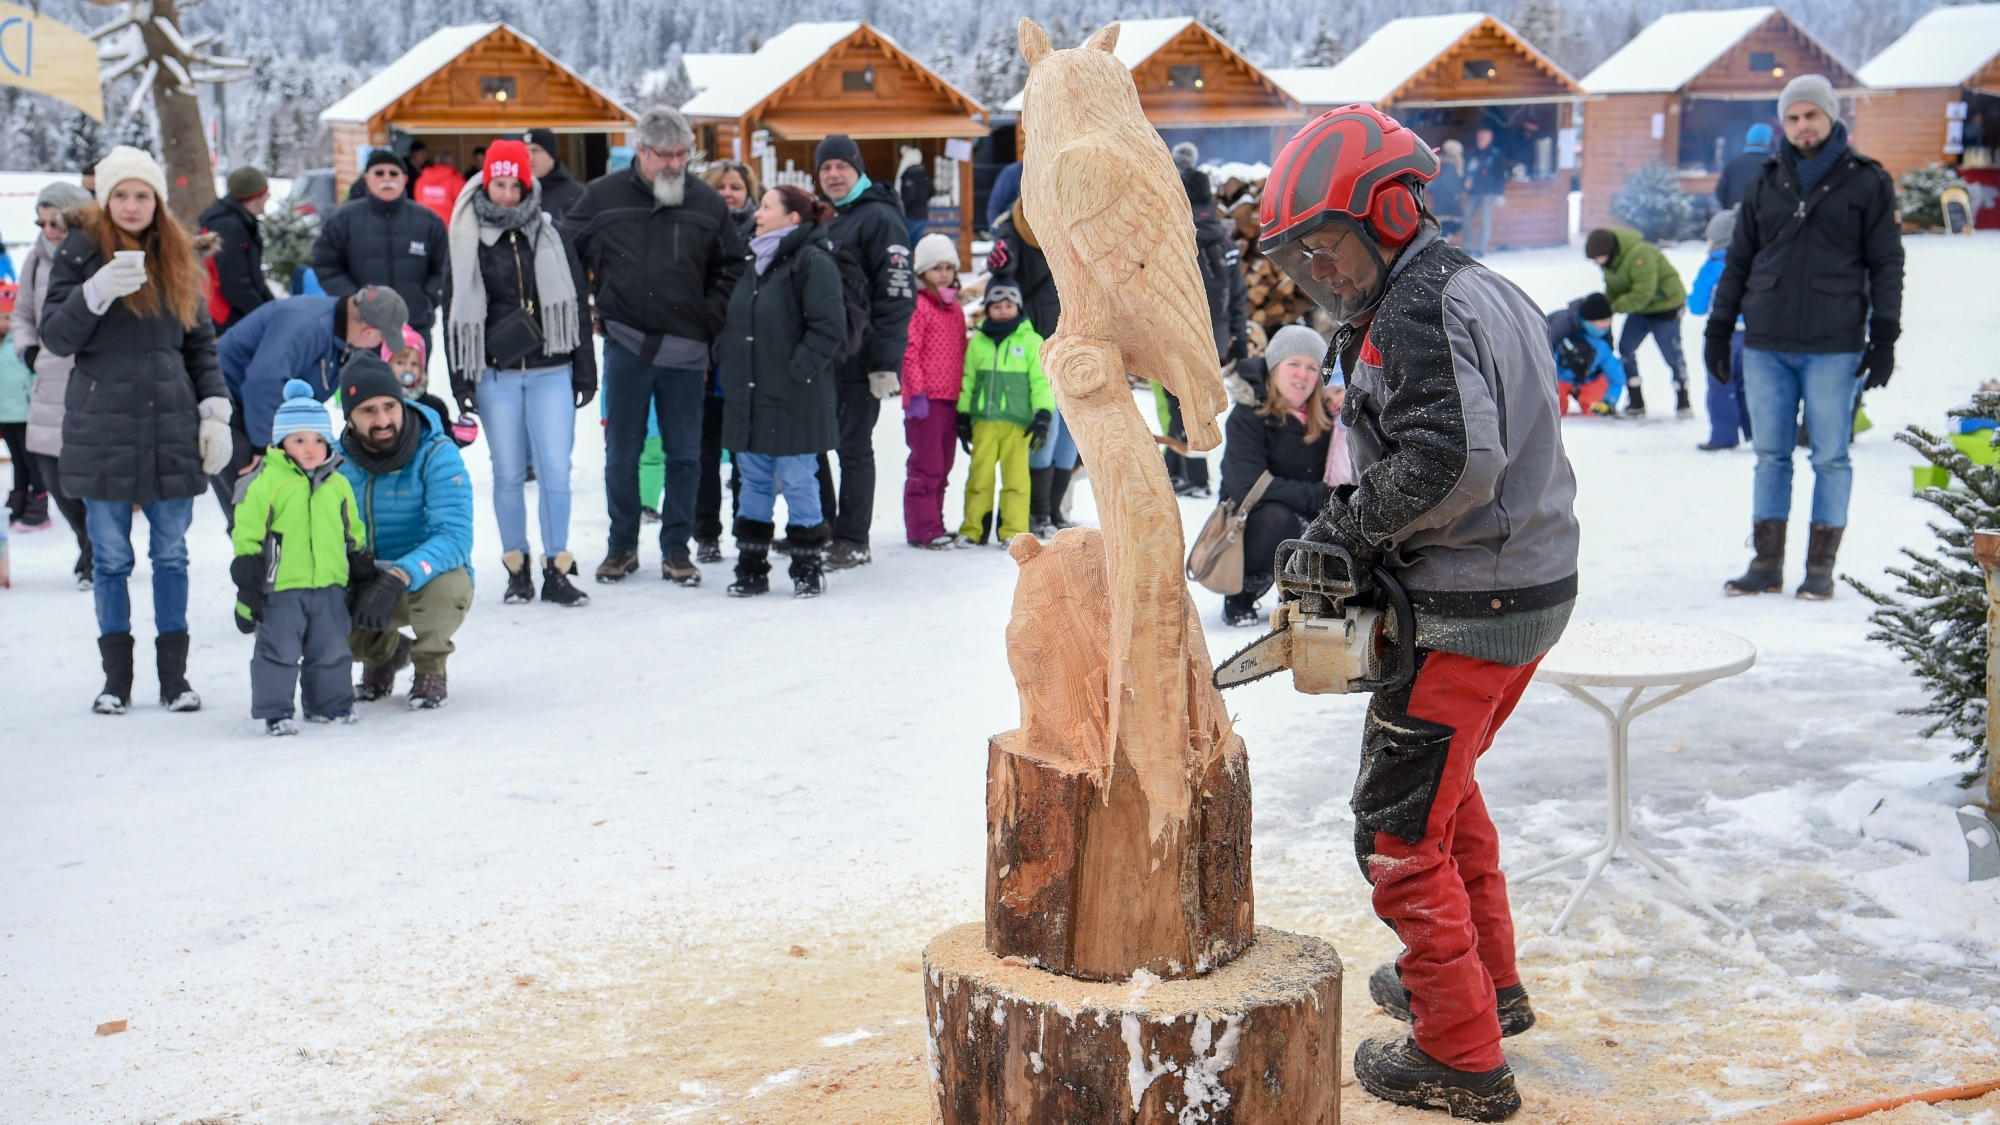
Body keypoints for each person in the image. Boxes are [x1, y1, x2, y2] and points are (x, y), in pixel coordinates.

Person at [1258, 104, 1578, 1119]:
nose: (1325, 271)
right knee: (1448, 797)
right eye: (1308, 256)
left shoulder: (1413, 308)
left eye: (1333, 247)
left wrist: (1347, 533)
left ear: (1388, 214)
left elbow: (1450, 460)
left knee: (1395, 836)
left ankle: (1458, 1054)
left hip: (1466, 602)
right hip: (1523, 585)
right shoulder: (1480, 285)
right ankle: (1486, 985)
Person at [40, 146, 233, 715]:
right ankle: (115, 681)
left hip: (171, 425)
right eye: (120, 194)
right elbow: (55, 336)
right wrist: (95, 292)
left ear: (157, 201)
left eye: (141, 195)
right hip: (103, 426)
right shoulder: (79, 251)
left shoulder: (178, 253)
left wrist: (214, 409)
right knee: (112, 558)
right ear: (104, 199)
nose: (131, 204)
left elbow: (199, 344)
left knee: (171, 555)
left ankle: (174, 680)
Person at [1706, 74, 1903, 600]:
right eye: (1792, 118)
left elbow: (1886, 262)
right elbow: (1739, 260)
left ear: (1831, 117)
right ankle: (1766, 562)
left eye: (1811, 115)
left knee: (1830, 457)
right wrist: (1719, 327)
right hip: (1766, 340)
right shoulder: (1766, 180)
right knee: (1770, 455)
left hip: (1833, 345)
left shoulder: (1867, 181)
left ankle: (1820, 569)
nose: (1802, 126)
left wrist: (1884, 335)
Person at [564, 106, 741, 586]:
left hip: (687, 351)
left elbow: (730, 268)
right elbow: (565, 254)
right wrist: (587, 309)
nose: (674, 164)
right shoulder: (602, 197)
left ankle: (677, 550)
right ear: (640, 151)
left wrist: (708, 319)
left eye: (682, 154)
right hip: (626, 343)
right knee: (622, 452)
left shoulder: (706, 203)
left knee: (686, 454)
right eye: (664, 154)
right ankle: (621, 547)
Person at [443, 139, 596, 609]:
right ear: (486, 183)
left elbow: (575, 301)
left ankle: (557, 568)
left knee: (556, 472)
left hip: (552, 367)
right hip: (495, 373)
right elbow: (453, 309)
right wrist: (461, 379)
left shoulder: (550, 232)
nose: (508, 194)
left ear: (528, 185)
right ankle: (517, 569)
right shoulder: (466, 236)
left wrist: (585, 369)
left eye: (516, 184)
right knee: (508, 473)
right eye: (499, 183)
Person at [718, 184, 847, 597]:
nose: (757, 212)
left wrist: (797, 372)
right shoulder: (752, 260)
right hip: (749, 393)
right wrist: (728, 356)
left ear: (793, 218)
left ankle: (807, 566)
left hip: (795, 395)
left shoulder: (812, 261)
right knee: (751, 479)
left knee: (797, 478)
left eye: (767, 206)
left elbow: (830, 329)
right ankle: (751, 566)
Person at [335, 352, 473, 709]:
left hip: (422, 577)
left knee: (447, 588)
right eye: (368, 411)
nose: (382, 420)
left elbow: (455, 536)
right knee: (314, 615)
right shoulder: (333, 463)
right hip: (363, 578)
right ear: (349, 418)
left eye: (389, 407)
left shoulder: (436, 453)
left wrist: (399, 574)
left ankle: (430, 665)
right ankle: (384, 655)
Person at [230, 379, 366, 735]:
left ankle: (330, 705)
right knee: (278, 652)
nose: (310, 449)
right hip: (281, 586)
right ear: (281, 442)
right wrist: (248, 581)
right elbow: (247, 532)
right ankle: (276, 711)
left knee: (333, 649)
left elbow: (353, 529)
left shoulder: (338, 484)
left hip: (330, 584)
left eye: (318, 440)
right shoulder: (265, 482)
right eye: (300, 440)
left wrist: (360, 563)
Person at [214, 286, 410, 522]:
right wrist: (263, 448)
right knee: (255, 507)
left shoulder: (338, 331)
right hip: (229, 407)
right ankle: (257, 556)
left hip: (257, 413)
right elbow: (264, 381)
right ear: (369, 332)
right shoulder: (307, 324)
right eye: (382, 338)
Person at [812, 134, 916, 569]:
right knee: (816, 443)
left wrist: (884, 363)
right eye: (825, 169)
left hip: (862, 357)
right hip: (824, 357)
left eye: (840, 166)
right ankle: (821, 527)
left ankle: (853, 538)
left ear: (857, 168)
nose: (833, 175)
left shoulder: (879, 217)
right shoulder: (830, 218)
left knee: (853, 447)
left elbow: (896, 295)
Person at [1216, 324, 1336, 627]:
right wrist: (1321, 496)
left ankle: (1302, 597)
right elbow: (1247, 485)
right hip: (1251, 523)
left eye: (1312, 367)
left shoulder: (1328, 420)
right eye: (1293, 364)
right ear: (1273, 367)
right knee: (1279, 518)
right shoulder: (1248, 415)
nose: (1302, 375)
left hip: (1310, 514)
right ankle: (1243, 592)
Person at [986, 185, 1079, 535]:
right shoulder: (1012, 229)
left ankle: (1053, 510)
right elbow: (1000, 278)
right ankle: (1035, 512)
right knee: (1047, 428)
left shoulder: (1070, 227)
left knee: (1072, 432)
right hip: (1034, 348)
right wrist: (1000, 261)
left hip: (1072, 342)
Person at [15, 180, 95, 585]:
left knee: (91, 474)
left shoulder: (94, 255)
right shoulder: (35, 260)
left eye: (56, 221)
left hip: (91, 378)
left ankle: (96, 553)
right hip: (48, 380)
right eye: (42, 222)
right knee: (51, 473)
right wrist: (29, 351)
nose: (48, 230)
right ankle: (89, 540)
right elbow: (23, 314)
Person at [313, 148, 449, 359]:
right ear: (367, 178)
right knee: (366, 389)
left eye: (393, 173)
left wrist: (427, 300)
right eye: (379, 173)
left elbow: (444, 267)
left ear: (404, 179)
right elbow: (325, 265)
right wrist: (356, 300)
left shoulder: (428, 221)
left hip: (413, 326)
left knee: (411, 389)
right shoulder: (344, 220)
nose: (387, 178)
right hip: (361, 328)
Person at [696, 157, 764, 559]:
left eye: (736, 187)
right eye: (720, 186)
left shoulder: (764, 236)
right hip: (704, 357)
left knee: (746, 455)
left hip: (747, 361)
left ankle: (747, 527)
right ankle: (705, 532)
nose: (728, 194)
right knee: (703, 453)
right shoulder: (697, 232)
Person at [956, 283, 1052, 546]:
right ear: (988, 309)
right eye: (997, 307)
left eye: (1009, 305)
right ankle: (972, 529)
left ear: (1018, 307)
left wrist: (1043, 414)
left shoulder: (1031, 341)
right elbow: (968, 380)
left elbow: (1041, 382)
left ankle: (1013, 531)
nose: (1003, 311)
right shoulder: (978, 342)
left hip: (1018, 423)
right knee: (979, 477)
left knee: (1016, 479)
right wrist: (963, 415)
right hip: (984, 423)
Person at [901, 232, 966, 549]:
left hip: (951, 397)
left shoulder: (955, 310)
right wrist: (915, 394)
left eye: (948, 267)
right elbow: (909, 351)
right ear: (922, 273)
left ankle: (935, 523)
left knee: (943, 465)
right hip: (925, 400)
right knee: (926, 466)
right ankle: (922, 529)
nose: (943, 274)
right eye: (936, 268)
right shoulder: (920, 306)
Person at [1584, 225, 1689, 418]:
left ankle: (1683, 400)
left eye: (1596, 258)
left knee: (1671, 354)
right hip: (1640, 309)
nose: (1596, 263)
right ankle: (1636, 401)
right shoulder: (1609, 264)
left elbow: (1643, 292)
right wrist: (1603, 307)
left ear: (1608, 251)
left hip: (1665, 306)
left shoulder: (1641, 254)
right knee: (1625, 348)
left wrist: (1614, 308)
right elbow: (1613, 290)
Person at [1687, 208, 1750, 450]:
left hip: (1723, 334)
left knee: (1721, 383)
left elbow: (1697, 305)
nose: (1707, 242)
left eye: (1710, 237)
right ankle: (1755, 432)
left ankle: (1724, 436)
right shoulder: (1751, 262)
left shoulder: (1713, 266)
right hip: (1751, 334)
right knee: (1749, 385)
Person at [198, 166, 275, 334]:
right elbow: (234, 284)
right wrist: (265, 314)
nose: (268, 199)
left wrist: (273, 307)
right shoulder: (229, 227)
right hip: (226, 318)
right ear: (255, 198)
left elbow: (254, 278)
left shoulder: (238, 220)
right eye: (266, 194)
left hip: (235, 313)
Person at [1544, 292, 1626, 416]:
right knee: (1551, 412)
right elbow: (1541, 360)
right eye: (1602, 321)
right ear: (1589, 321)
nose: (1606, 325)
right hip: (1559, 378)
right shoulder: (1560, 327)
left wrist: (1609, 401)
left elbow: (1616, 376)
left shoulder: (1601, 346)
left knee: (1595, 410)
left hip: (1590, 379)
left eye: (1608, 320)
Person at [1462, 127, 1508, 257]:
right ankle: (1467, 248)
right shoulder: (1471, 152)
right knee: (1466, 218)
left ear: (1490, 139)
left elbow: (1501, 176)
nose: (1481, 140)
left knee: (1484, 221)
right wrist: (1465, 181)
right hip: (1472, 192)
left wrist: (1500, 193)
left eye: (1484, 138)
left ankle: (1481, 250)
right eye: (1479, 137)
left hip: (1489, 193)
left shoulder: (1496, 154)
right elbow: (1465, 170)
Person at [523, 129, 586, 222]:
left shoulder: (577, 193)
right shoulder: (517, 192)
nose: (530, 157)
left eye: (535, 151)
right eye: (525, 151)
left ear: (552, 154)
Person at [1715, 122, 1773, 210]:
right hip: (1766, 219)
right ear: (1768, 140)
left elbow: (1721, 191)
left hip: (1736, 218)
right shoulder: (1772, 164)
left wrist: (1730, 209)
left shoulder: (1733, 163)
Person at [411, 150, 465, 225]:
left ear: (436, 162)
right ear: (451, 162)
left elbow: (418, 201)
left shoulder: (421, 180)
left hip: (425, 226)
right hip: (448, 228)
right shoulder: (457, 180)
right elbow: (464, 206)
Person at [897, 146, 933, 245]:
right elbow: (932, 191)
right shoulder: (925, 172)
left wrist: (900, 207)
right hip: (923, 214)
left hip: (911, 215)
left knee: (907, 243)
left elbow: (908, 196)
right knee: (919, 244)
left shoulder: (908, 174)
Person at [1432, 139, 1466, 244]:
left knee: (1445, 225)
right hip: (1447, 200)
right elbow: (1448, 181)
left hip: (1443, 199)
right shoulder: (1449, 164)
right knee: (1453, 223)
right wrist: (1456, 192)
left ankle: (1443, 241)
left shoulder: (1443, 162)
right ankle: (1442, 243)